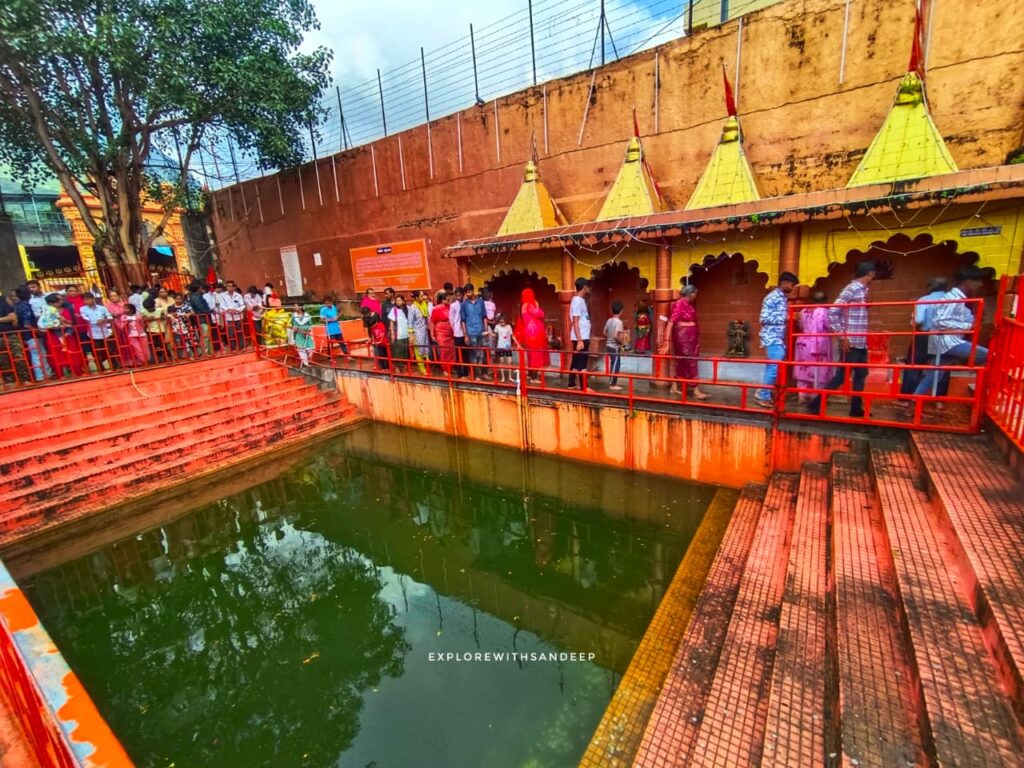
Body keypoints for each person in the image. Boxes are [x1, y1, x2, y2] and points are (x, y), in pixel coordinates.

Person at [808, 260, 876, 417]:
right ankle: (816, 404)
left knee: (861, 375)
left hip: (860, 342)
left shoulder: (863, 291)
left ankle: (856, 409)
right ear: (870, 273)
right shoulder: (851, 288)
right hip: (850, 341)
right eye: (873, 275)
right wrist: (841, 335)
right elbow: (833, 311)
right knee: (841, 376)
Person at [913, 267, 989, 400]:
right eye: (977, 281)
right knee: (989, 355)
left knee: (935, 373)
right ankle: (985, 393)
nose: (980, 284)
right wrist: (968, 326)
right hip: (948, 342)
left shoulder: (958, 298)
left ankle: (915, 400)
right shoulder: (953, 298)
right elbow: (941, 321)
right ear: (967, 282)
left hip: (944, 341)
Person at [754, 272, 799, 407]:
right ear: (784, 283)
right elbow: (763, 318)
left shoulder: (781, 298)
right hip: (771, 337)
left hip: (776, 337)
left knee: (772, 367)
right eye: (792, 285)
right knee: (774, 367)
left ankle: (763, 392)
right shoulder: (773, 297)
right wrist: (786, 318)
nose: (792, 288)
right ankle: (762, 395)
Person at [900, 277, 949, 397]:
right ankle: (939, 400)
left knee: (914, 364)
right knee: (942, 366)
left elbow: (919, 319)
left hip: (926, 335)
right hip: (945, 336)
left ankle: (908, 396)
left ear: (930, 288)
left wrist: (913, 319)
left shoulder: (925, 299)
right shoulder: (951, 300)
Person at [661, 282, 709, 400]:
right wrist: (666, 341)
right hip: (683, 339)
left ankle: (674, 386)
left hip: (689, 339)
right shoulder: (680, 303)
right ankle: (696, 390)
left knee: (682, 362)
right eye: (695, 294)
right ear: (691, 294)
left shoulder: (688, 304)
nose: (695, 296)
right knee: (691, 361)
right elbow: (671, 322)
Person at [793, 291, 835, 402]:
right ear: (825, 301)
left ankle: (802, 395)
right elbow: (830, 327)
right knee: (819, 371)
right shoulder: (824, 312)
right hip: (818, 345)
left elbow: (800, 325)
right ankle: (816, 397)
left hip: (803, 343)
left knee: (803, 370)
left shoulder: (804, 310)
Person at [14, 287, 49, 381]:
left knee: (38, 353)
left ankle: (45, 374)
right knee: (38, 354)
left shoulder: (18, 306)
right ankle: (41, 376)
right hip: (32, 334)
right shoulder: (26, 306)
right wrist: (37, 331)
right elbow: (27, 324)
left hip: (26, 334)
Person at [515, 287, 547, 383]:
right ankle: (534, 377)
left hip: (528, 332)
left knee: (531, 354)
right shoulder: (529, 305)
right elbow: (541, 314)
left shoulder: (522, 306)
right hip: (536, 333)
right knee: (536, 355)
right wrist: (537, 305)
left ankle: (530, 374)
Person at [79, 291, 117, 371]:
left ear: (93, 299)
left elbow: (109, 316)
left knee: (110, 350)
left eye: (88, 299)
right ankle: (101, 368)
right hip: (93, 334)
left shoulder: (102, 308)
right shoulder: (83, 309)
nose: (86, 301)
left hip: (105, 333)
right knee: (97, 351)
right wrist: (95, 321)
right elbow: (84, 317)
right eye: (85, 300)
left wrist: (104, 320)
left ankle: (115, 366)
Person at [567, 278, 591, 391]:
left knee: (576, 361)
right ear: (585, 287)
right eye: (587, 286)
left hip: (581, 335)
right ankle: (583, 387)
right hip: (581, 337)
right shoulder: (577, 300)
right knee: (582, 363)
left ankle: (571, 384)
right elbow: (575, 321)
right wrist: (580, 340)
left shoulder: (579, 300)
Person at [461, 283, 487, 378]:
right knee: (473, 354)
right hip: (471, 332)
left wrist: (486, 330)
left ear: (473, 291)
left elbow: (484, 316)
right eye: (466, 293)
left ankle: (482, 373)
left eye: (469, 292)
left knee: (482, 354)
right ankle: (475, 376)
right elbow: (463, 320)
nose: (467, 294)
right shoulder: (464, 304)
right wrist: (465, 335)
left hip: (481, 331)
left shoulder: (480, 302)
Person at [430, 291, 456, 375]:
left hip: (450, 332)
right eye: (447, 300)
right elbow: (432, 322)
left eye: (450, 300)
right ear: (443, 300)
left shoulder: (452, 307)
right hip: (441, 332)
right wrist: (432, 334)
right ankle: (444, 368)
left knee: (451, 350)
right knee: (443, 351)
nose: (449, 302)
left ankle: (451, 367)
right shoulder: (436, 309)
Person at [604, 300, 627, 391]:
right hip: (614, 347)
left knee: (614, 363)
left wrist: (609, 337)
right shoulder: (619, 322)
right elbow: (615, 335)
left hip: (609, 345)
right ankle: (612, 384)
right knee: (615, 365)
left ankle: (613, 381)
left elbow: (604, 332)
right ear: (621, 310)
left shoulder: (609, 320)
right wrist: (621, 342)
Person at [408, 290, 431, 374]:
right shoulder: (413, 308)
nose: (423, 297)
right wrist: (411, 336)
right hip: (417, 332)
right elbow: (410, 322)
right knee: (419, 351)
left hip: (424, 330)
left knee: (425, 349)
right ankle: (422, 369)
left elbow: (426, 316)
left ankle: (427, 366)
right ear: (416, 298)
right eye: (421, 296)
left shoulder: (424, 304)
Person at [119, 304, 149, 368]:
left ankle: (145, 361)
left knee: (145, 349)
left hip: (141, 334)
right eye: (124, 308)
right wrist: (126, 322)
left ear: (132, 310)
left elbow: (142, 324)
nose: (125, 310)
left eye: (127, 308)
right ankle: (143, 361)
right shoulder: (124, 317)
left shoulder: (138, 315)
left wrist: (142, 330)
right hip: (132, 335)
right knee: (138, 349)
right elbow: (121, 327)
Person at [219, 281, 247, 350]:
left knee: (240, 332)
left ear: (234, 287)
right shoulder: (222, 295)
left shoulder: (238, 295)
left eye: (230, 286)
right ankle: (233, 348)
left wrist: (237, 310)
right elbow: (222, 305)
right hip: (229, 317)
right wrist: (229, 310)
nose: (228, 287)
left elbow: (243, 305)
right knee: (231, 333)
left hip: (238, 316)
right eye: (227, 286)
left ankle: (242, 347)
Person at [141, 297, 169, 363]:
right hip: (150, 330)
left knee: (162, 344)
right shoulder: (143, 311)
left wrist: (163, 317)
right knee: (152, 345)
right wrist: (147, 318)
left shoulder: (160, 310)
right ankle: (155, 359)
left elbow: (164, 316)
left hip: (160, 329)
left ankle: (165, 357)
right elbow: (143, 318)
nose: (150, 310)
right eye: (148, 309)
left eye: (151, 308)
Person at [361, 305, 389, 370]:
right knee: (377, 351)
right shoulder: (365, 318)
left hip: (380, 332)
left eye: (366, 314)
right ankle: (381, 365)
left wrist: (380, 339)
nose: (365, 316)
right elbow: (366, 328)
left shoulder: (376, 315)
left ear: (369, 312)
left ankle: (387, 366)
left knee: (385, 351)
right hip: (373, 334)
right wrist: (369, 337)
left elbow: (380, 326)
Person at [494, 313, 518, 383]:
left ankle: (510, 377)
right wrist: (488, 333)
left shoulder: (509, 327)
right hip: (500, 346)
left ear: (506, 321)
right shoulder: (497, 326)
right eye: (501, 322)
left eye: (503, 322)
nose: (502, 323)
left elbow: (512, 336)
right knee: (501, 362)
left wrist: (517, 344)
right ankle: (503, 377)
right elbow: (494, 335)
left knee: (509, 361)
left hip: (508, 346)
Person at [389, 293, 411, 369]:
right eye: (396, 300)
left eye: (399, 300)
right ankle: (397, 366)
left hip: (407, 334)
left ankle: (404, 365)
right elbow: (391, 322)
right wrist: (392, 334)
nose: (398, 302)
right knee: (397, 351)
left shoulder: (408, 308)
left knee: (405, 351)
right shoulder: (394, 310)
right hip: (398, 334)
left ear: (403, 301)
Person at [450, 286, 466, 377]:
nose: (458, 297)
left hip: (465, 331)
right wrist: (454, 330)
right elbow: (451, 319)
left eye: (460, 295)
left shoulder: (465, 304)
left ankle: (466, 371)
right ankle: (460, 372)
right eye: (457, 295)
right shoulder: (453, 305)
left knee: (465, 352)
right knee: (459, 352)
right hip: (457, 332)